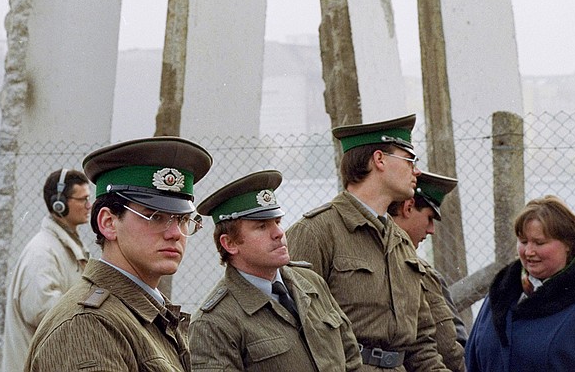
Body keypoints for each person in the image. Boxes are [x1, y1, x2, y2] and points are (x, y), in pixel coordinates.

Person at [25, 136, 213, 372]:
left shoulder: (141, 311)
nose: (176, 233)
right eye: (155, 216)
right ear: (108, 223)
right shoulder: (89, 327)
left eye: (183, 220)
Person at [286, 114, 448, 371]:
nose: (415, 170)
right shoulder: (316, 233)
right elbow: (292, 333)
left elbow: (421, 344)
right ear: (379, 159)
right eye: (409, 160)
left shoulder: (401, 242)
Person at [189, 170, 362, 371]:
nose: (279, 233)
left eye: (277, 222)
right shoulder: (214, 323)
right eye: (262, 226)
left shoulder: (311, 283)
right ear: (229, 243)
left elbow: (350, 356)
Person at [466, 195, 575, 371]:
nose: (528, 251)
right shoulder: (501, 292)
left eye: (539, 243)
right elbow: (473, 357)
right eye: (523, 241)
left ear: (569, 244)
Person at [2, 168, 92, 372]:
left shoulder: (65, 246)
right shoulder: (42, 252)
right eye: (83, 199)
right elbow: (42, 312)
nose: (89, 205)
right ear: (58, 203)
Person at [388, 171, 467, 372]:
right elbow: (449, 349)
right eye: (429, 218)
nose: (431, 229)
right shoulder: (422, 275)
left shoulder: (429, 275)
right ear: (408, 207)